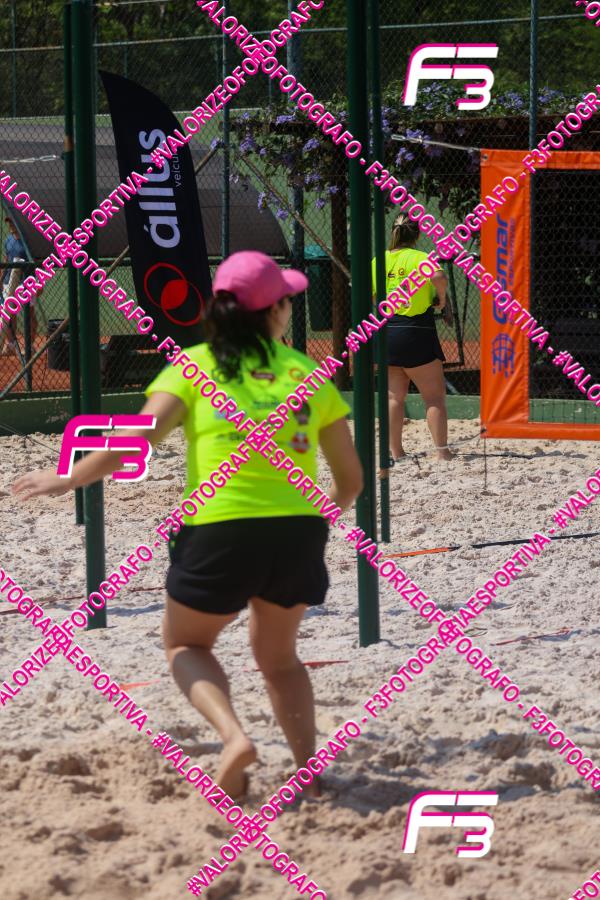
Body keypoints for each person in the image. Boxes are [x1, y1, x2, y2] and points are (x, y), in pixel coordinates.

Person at [13, 251, 363, 800]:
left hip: (220, 527)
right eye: (287, 300)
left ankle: (234, 738)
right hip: (297, 529)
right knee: (280, 661)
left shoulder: (195, 365)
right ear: (274, 310)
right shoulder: (307, 374)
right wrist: (316, 524)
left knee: (184, 645)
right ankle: (308, 775)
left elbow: (138, 438)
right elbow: (350, 480)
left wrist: (70, 477)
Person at [372, 214, 452, 462]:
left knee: (393, 397)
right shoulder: (420, 258)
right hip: (417, 330)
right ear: (417, 234)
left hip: (388, 330)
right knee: (434, 397)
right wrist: (441, 298)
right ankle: (442, 453)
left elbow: (374, 295)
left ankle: (397, 452)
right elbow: (439, 277)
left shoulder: (379, 260)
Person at [0, 217, 36, 356]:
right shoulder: (8, 240)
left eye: (12, 222)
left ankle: (30, 346)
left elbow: (36, 261)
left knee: (30, 315)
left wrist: (39, 282)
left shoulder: (29, 240)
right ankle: (11, 345)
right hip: (9, 282)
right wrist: (1, 279)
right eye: (9, 222)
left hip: (26, 282)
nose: (10, 225)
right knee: (9, 315)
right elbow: (7, 260)